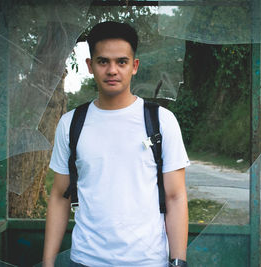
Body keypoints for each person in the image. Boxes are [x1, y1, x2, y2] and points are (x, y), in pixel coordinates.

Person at [43, 21, 190, 267]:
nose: (112, 70)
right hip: (86, 260)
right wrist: (47, 263)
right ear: (90, 66)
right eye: (103, 61)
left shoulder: (161, 121)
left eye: (121, 62)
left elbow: (175, 197)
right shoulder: (70, 124)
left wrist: (178, 263)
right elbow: (60, 196)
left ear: (134, 66)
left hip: (148, 261)